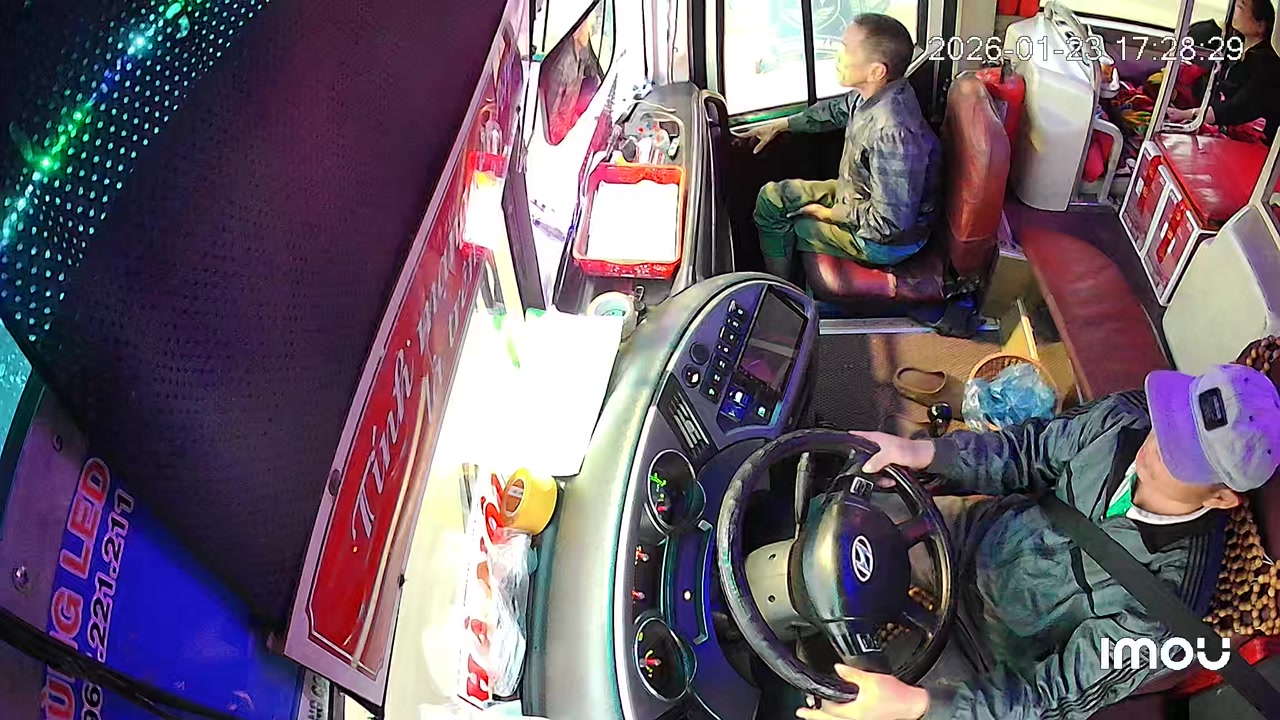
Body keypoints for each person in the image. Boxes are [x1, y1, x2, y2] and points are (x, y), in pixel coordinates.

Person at [796, 364, 1280, 720]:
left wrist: (919, 705)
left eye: (1184, 452)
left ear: (1221, 497)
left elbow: (1058, 695)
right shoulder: (1125, 418)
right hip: (971, 535)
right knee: (832, 519)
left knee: (849, 706)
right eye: (1171, 420)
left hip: (991, 653)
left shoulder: (1167, 606)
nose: (1158, 442)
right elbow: (1027, 452)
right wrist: (922, 451)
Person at [740, 14, 940, 279]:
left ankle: (782, 290)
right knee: (771, 198)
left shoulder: (893, 131)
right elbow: (836, 111)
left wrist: (830, 214)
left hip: (884, 243)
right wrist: (783, 124)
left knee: (792, 224)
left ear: (876, 71)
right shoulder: (871, 94)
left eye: (846, 50)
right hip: (858, 195)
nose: (837, 56)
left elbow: (890, 224)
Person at [1168, 0, 1280, 144]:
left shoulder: (1268, 64)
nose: (1234, 10)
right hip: (1228, 129)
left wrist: (1186, 114)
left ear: (1260, 26)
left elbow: (1238, 106)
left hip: (1256, 141)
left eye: (1240, 7)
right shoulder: (1236, 49)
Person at [542, 6, 604, 144]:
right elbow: (551, 120)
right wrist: (572, 128)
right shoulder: (562, 69)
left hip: (570, 118)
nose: (590, 32)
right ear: (576, 32)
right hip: (562, 132)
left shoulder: (581, 51)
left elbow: (592, 69)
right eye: (587, 27)